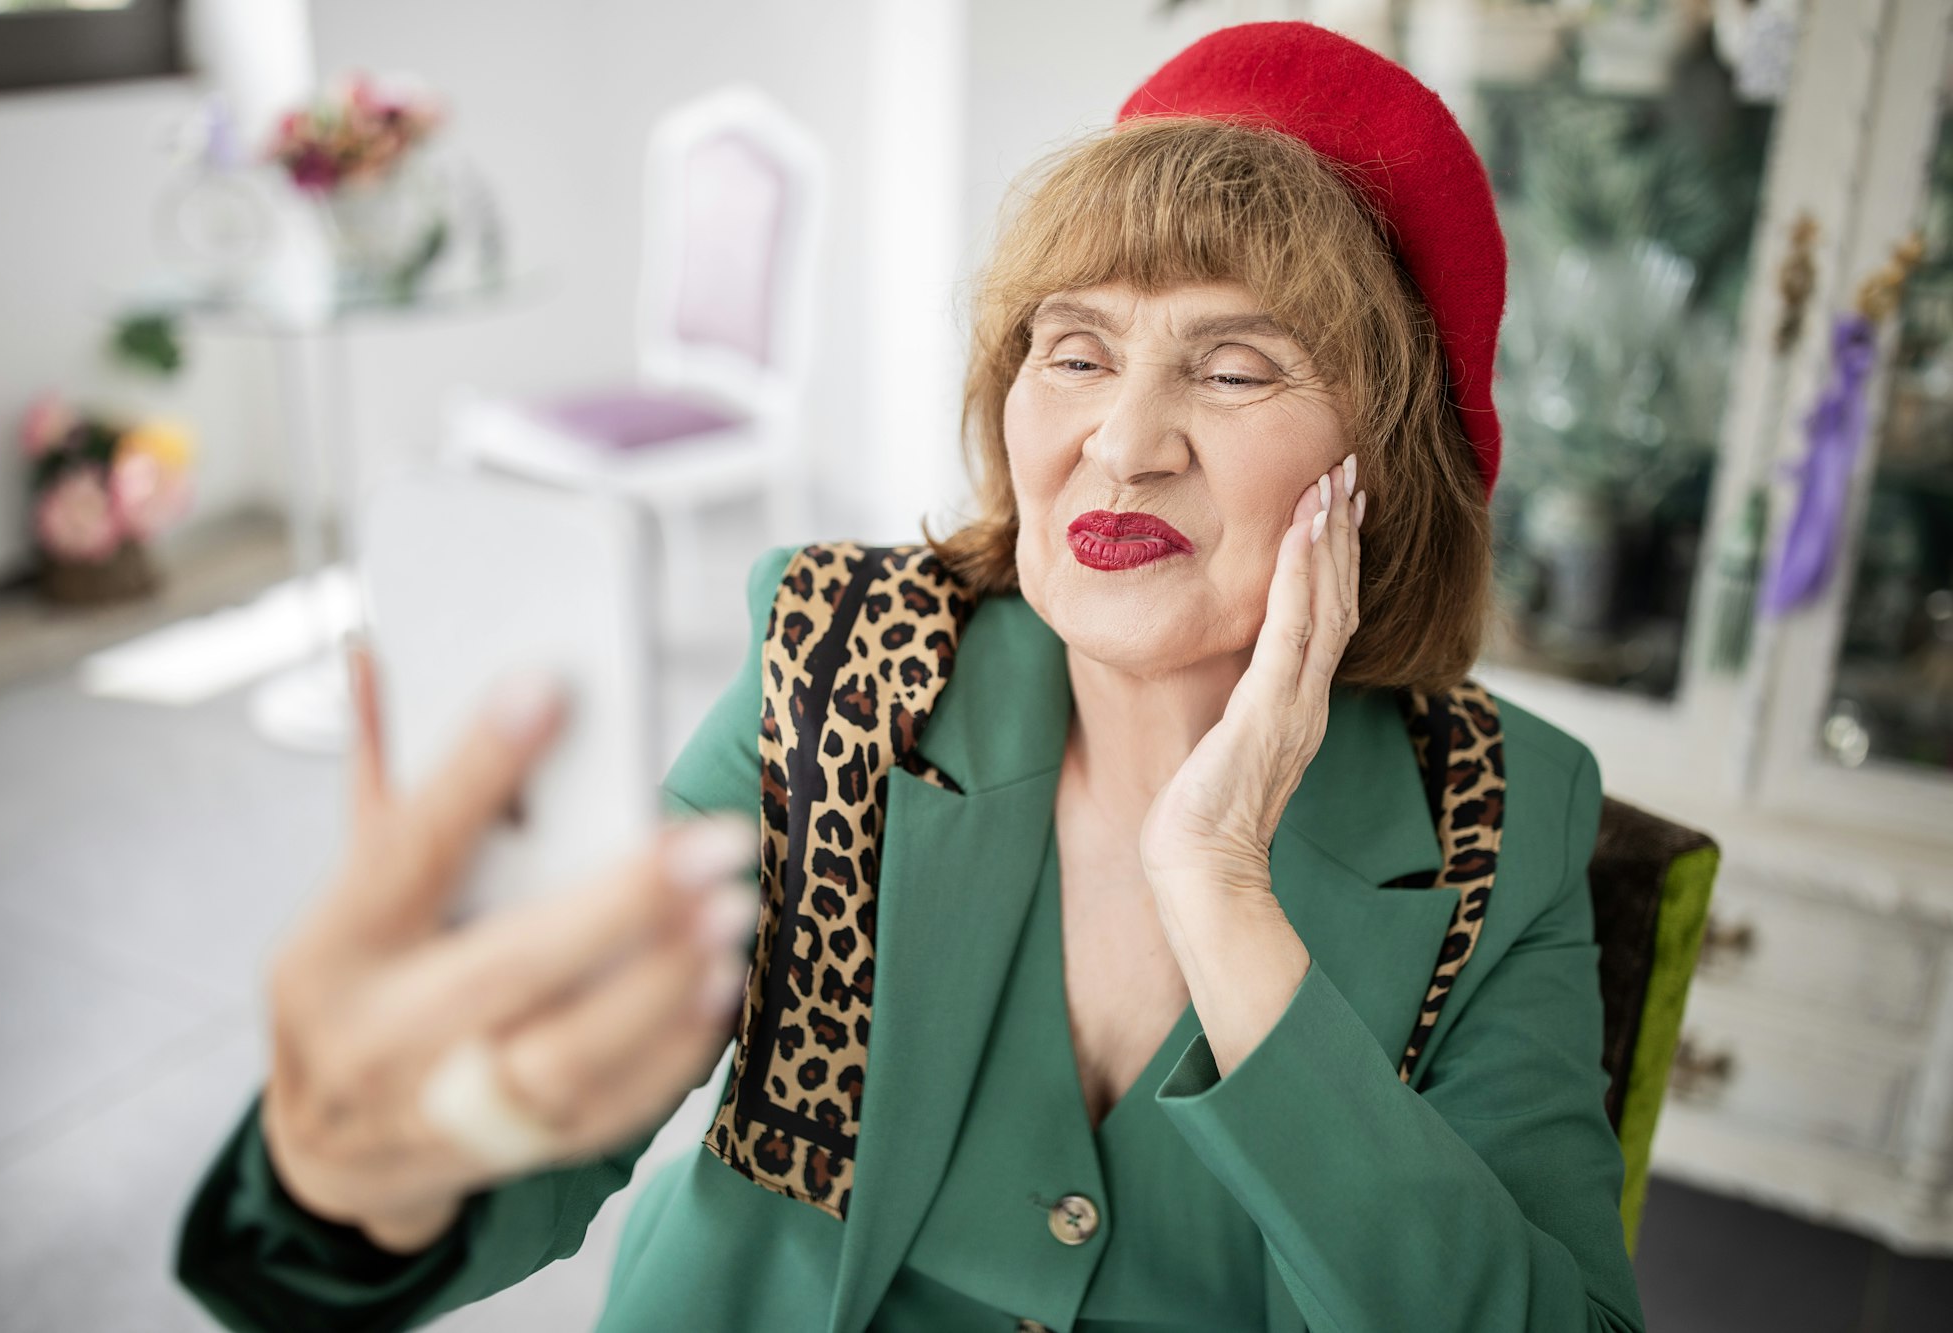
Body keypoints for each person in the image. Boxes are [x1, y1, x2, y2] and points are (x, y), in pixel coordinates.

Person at [174, 21, 1648, 1333]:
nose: (1121, 441)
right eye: (1073, 351)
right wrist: (355, 1179)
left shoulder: (1496, 818)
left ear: (1385, 470)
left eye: (1234, 367)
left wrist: (1222, 889)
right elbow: (557, 1097)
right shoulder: (840, 664)